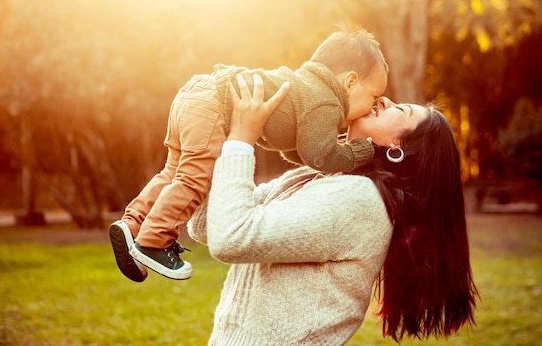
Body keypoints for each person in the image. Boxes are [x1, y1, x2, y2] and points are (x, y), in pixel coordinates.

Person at [188, 75, 479, 345]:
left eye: (401, 111)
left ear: (398, 147)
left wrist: (241, 139)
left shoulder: (359, 201)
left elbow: (231, 237)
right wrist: (207, 137)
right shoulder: (322, 177)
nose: (385, 101)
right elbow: (206, 226)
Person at [109, 23, 389, 281]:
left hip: (195, 94)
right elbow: (320, 157)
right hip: (213, 106)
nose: (373, 105)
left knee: (173, 172)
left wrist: (329, 144)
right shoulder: (327, 102)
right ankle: (154, 241)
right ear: (350, 82)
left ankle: (132, 224)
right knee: (195, 178)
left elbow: (304, 152)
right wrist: (360, 151)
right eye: (374, 97)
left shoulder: (307, 87)